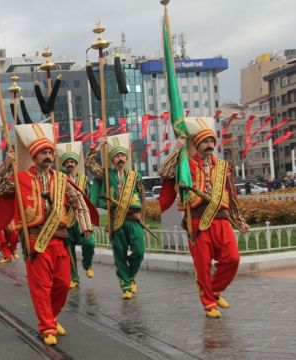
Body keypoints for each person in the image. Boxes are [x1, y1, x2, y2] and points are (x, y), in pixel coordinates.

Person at [0, 123, 94, 346]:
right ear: (34, 155)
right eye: (43, 152)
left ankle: (52, 316)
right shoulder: (20, 179)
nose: (48, 156)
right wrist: (7, 165)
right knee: (41, 287)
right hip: (35, 240)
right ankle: (47, 327)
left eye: (50, 152)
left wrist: (86, 226)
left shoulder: (60, 179)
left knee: (63, 282)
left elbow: (78, 201)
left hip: (59, 238)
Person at [159, 117, 249, 318]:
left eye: (211, 141)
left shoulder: (224, 166)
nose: (209, 145)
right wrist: (177, 149)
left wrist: (240, 220)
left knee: (232, 259)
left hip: (222, 220)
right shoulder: (185, 165)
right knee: (203, 265)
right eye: (205, 141)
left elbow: (231, 195)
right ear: (196, 144)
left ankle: (215, 291)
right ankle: (208, 303)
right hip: (198, 222)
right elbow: (164, 172)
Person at [86, 134, 146, 300]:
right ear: (112, 160)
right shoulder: (105, 174)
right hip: (116, 220)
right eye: (116, 156)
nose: (120, 158)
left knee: (139, 251)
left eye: (122, 156)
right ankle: (125, 284)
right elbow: (89, 163)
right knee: (119, 254)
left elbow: (143, 199)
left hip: (134, 219)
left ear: (126, 158)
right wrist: (99, 145)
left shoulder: (135, 176)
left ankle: (130, 275)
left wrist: (143, 219)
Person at [56, 142, 96, 288]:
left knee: (89, 243)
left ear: (76, 163)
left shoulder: (84, 179)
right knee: (69, 249)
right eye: (67, 162)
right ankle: (74, 277)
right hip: (66, 217)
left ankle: (87, 264)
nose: (70, 164)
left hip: (81, 217)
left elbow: (89, 198)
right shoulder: (60, 178)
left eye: (72, 161)